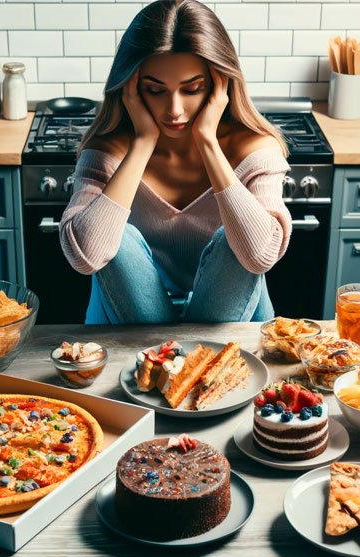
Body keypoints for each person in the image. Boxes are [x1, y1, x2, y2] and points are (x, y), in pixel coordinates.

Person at [59, 0, 292, 324]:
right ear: (131, 88)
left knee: (236, 235)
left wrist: (208, 142)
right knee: (113, 233)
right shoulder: (109, 149)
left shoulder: (253, 147)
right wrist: (141, 144)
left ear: (218, 85)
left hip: (228, 327)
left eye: (192, 89)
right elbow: (87, 258)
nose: (174, 110)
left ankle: (194, 369)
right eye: (156, 90)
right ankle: (167, 364)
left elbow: (259, 256)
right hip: (135, 324)